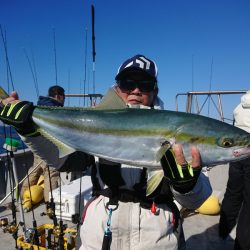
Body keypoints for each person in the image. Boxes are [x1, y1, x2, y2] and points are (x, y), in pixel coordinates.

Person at [0, 54, 212, 249]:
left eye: (144, 84)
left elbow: (195, 201)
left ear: (155, 90)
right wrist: (28, 130)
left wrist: (187, 186)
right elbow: (63, 161)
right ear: (117, 88)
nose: (136, 90)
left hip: (156, 236)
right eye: (128, 83)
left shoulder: (178, 130)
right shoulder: (95, 120)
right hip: (100, 231)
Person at [21, 85, 65, 205]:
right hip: (50, 147)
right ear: (58, 96)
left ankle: (22, 196)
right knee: (51, 174)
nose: (63, 100)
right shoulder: (56, 109)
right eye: (63, 97)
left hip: (38, 146)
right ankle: (50, 204)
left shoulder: (39, 106)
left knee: (35, 170)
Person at [219, 90, 250, 250]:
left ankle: (223, 230)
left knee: (232, 193)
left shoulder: (240, 105)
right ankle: (243, 245)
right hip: (248, 149)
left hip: (236, 153)